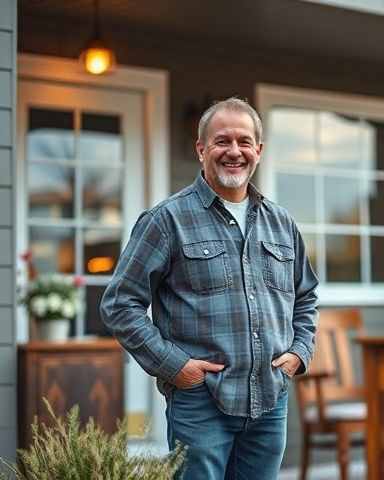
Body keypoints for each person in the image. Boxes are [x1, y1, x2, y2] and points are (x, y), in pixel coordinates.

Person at [100, 97, 318, 479]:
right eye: (222, 141)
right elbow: (120, 304)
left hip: (269, 399)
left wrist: (299, 353)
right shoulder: (167, 219)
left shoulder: (282, 224)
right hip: (201, 402)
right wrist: (174, 366)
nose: (234, 151)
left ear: (259, 151)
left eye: (244, 142)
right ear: (201, 149)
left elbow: (306, 297)